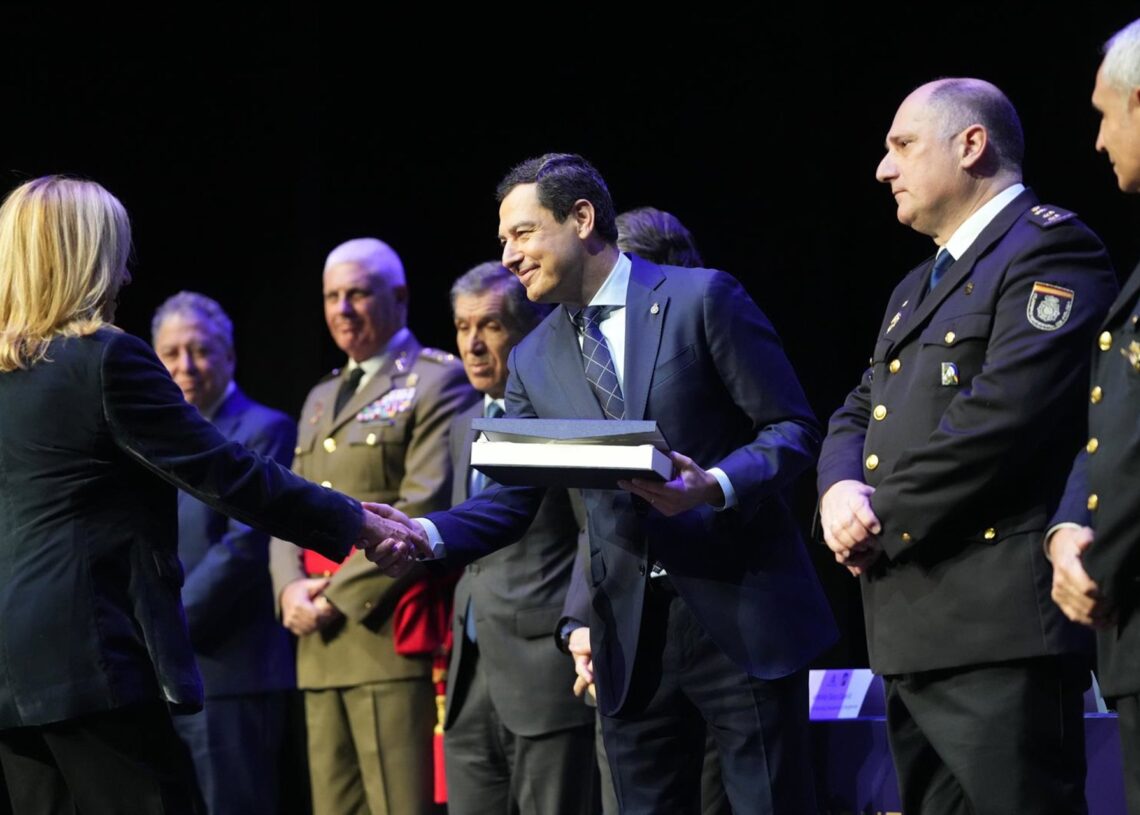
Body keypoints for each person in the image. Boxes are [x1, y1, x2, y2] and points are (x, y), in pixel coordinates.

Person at [372, 153, 837, 814]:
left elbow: (792, 428)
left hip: (739, 615)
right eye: (503, 239)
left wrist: (715, 484)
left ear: (582, 218)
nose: (508, 255)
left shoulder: (700, 298)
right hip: (626, 639)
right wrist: (422, 531)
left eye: (522, 233)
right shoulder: (533, 357)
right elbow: (510, 497)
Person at [0, 175, 419, 815]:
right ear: (86, 255)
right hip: (91, 659)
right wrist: (354, 522)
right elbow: (226, 472)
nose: (127, 272)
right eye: (117, 251)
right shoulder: (103, 360)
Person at [816, 78, 1118, 815]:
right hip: (909, 625)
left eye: (902, 146)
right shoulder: (915, 287)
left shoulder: (1051, 247)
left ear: (971, 145)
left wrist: (876, 514)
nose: (884, 169)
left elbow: (1001, 421)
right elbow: (857, 407)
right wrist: (836, 492)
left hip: (997, 630)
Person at [269, 237, 477, 815]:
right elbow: (287, 508)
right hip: (318, 646)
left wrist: (333, 597)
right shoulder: (319, 396)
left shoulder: (437, 381)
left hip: (386, 636)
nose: (343, 308)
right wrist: (288, 588)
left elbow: (421, 506)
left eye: (358, 293)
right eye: (332, 296)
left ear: (400, 297)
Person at [560, 205, 727, 815]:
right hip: (628, 645)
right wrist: (580, 622)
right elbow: (599, 516)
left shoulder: (712, 334)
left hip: (724, 626)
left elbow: (782, 446)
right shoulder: (591, 359)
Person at [442, 260, 596, 814]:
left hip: (542, 675)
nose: (474, 345)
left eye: (491, 326)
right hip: (471, 672)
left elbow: (591, 530)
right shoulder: (464, 422)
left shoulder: (563, 417)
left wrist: (578, 625)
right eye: (462, 328)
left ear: (528, 330)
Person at [151, 291, 299, 815]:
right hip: (162, 678)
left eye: (200, 350)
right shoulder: (153, 442)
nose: (185, 366)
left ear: (229, 356)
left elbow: (245, 545)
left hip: (232, 676)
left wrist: (163, 626)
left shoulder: (265, 429)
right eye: (171, 353)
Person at [1049, 18, 1140, 814]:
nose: (1100, 140)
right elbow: (1108, 423)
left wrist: (1106, 545)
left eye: (1107, 114)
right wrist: (1072, 527)